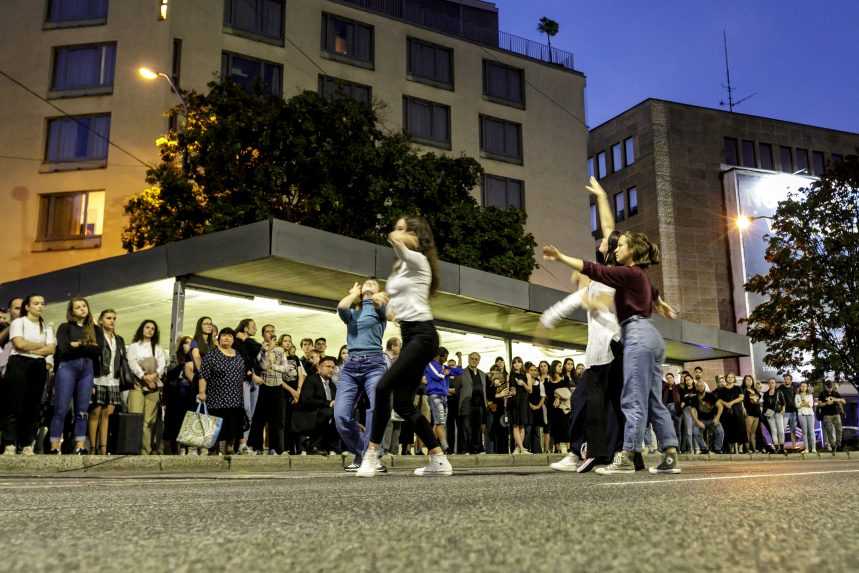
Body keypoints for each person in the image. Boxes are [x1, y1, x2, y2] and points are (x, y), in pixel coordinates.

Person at [543, 226, 682, 475]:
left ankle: (626, 457)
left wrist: (561, 257)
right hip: (650, 335)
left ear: (632, 252)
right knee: (653, 401)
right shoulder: (640, 275)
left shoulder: (628, 273)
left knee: (632, 400)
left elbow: (593, 269)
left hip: (637, 335)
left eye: (621, 245)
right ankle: (670, 455)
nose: (616, 249)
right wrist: (662, 305)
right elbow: (655, 294)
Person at [357, 215, 450, 477]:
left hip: (423, 335)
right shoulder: (402, 270)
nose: (395, 232)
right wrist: (382, 300)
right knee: (403, 405)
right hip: (411, 335)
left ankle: (372, 453)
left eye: (402, 228)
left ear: (414, 235)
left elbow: (397, 242)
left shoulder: (417, 259)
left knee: (383, 385)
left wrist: (400, 236)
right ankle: (438, 458)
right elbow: (393, 314)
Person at [334, 280, 389, 472]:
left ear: (378, 290)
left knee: (376, 409)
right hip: (350, 365)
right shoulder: (353, 312)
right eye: (366, 283)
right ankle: (364, 453)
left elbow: (386, 308)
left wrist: (374, 296)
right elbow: (341, 306)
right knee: (340, 415)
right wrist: (354, 294)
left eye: (373, 284)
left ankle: (369, 455)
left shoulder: (378, 308)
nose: (369, 284)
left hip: (374, 363)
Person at [2, 295, 55, 455]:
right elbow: (18, 343)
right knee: (14, 403)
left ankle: (27, 443)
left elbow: (51, 349)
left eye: (42, 303)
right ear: (27, 306)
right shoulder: (19, 322)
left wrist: (30, 347)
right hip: (19, 363)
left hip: (38, 365)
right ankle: (9, 442)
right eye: (36, 303)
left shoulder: (46, 326)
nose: (40, 306)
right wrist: (40, 345)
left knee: (33, 405)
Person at [49, 297, 102, 454]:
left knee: (82, 409)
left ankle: (80, 445)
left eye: (84, 306)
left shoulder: (95, 329)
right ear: (72, 311)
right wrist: (86, 345)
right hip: (67, 368)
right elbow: (64, 349)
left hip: (87, 369)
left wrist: (77, 345)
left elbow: (98, 351)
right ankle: (54, 445)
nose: (82, 309)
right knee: (61, 408)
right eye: (78, 307)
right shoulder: (65, 327)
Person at [197, 328, 247, 455]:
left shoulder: (238, 354)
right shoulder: (212, 354)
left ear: (233, 339)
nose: (227, 338)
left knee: (233, 424)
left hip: (235, 397)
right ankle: (213, 449)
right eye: (224, 335)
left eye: (230, 336)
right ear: (219, 338)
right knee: (216, 425)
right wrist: (202, 392)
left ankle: (229, 448)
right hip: (217, 397)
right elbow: (203, 375)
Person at [88, 309, 127, 455]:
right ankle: (92, 446)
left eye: (114, 318)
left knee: (107, 413)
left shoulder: (119, 339)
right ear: (101, 321)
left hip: (113, 380)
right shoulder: (97, 336)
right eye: (108, 318)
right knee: (95, 412)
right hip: (98, 378)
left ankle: (103, 448)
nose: (112, 321)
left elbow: (121, 360)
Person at [126, 320, 167, 455]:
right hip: (137, 385)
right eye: (147, 327)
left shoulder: (158, 348)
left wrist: (154, 376)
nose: (149, 330)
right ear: (141, 329)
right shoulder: (133, 346)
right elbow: (132, 364)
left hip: (153, 386)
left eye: (152, 328)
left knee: (149, 421)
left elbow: (162, 365)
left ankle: (146, 450)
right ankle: (132, 449)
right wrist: (143, 376)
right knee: (135, 417)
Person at [247, 324, 288, 455]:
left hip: (277, 386)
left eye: (272, 331)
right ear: (263, 334)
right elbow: (261, 365)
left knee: (276, 419)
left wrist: (274, 366)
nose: (270, 333)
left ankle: (274, 447)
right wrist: (265, 351)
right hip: (263, 386)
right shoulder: (259, 348)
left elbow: (285, 368)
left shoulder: (280, 350)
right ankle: (257, 446)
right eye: (267, 331)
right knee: (259, 418)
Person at [293, 355, 339, 455]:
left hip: (323, 413)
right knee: (328, 413)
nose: (331, 369)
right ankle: (314, 445)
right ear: (319, 367)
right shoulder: (311, 380)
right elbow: (307, 400)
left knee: (338, 415)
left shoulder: (332, 385)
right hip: (308, 413)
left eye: (333, 367)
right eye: (328, 366)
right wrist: (328, 403)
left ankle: (333, 447)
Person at [163, 336, 197, 455]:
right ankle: (179, 447)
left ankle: (190, 446)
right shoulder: (175, 361)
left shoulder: (198, 361)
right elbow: (169, 378)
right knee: (178, 421)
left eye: (191, 343)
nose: (188, 345)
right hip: (176, 398)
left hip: (191, 396)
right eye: (186, 343)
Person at [233, 318, 263, 453]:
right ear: (245, 328)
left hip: (254, 380)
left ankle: (244, 445)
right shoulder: (236, 342)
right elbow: (242, 360)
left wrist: (245, 339)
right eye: (253, 326)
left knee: (250, 414)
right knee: (244, 410)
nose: (256, 329)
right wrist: (251, 375)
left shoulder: (248, 342)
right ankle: (238, 443)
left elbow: (257, 348)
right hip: (243, 379)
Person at [456, 352, 488, 454]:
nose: (474, 360)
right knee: (466, 428)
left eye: (476, 359)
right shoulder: (462, 373)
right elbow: (457, 389)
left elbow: (484, 390)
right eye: (472, 358)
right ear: (468, 359)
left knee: (478, 428)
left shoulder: (482, 374)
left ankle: (477, 449)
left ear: (479, 361)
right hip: (466, 404)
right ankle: (466, 449)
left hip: (479, 405)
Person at [278, 333, 305, 454]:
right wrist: (292, 391)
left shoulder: (295, 358)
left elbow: (300, 375)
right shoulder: (277, 358)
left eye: (289, 341)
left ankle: (298, 448)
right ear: (280, 343)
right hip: (283, 392)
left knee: (295, 421)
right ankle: (284, 448)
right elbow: (278, 378)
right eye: (285, 341)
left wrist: (298, 390)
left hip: (296, 392)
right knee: (284, 420)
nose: (288, 343)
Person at [688, 379, 724, 454]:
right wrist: (697, 422)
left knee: (720, 431)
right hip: (700, 420)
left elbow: (720, 406)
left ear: (704, 387)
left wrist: (717, 418)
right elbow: (692, 411)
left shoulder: (711, 395)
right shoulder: (694, 398)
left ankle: (717, 449)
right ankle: (704, 449)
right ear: (696, 388)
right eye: (698, 386)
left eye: (702, 386)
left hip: (712, 419)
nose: (700, 387)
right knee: (695, 431)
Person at [715, 373, 746, 453]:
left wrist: (731, 403)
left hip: (737, 410)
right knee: (728, 429)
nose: (730, 378)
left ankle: (740, 447)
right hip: (726, 412)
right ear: (726, 378)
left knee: (740, 428)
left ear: (734, 379)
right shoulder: (721, 389)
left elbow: (741, 398)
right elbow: (719, 399)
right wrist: (726, 403)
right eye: (728, 377)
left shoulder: (738, 388)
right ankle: (731, 448)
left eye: (732, 377)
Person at [545, 360, 572, 454]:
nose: (561, 368)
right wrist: (556, 396)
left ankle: (569, 448)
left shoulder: (565, 378)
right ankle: (557, 448)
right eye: (559, 366)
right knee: (555, 427)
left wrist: (558, 397)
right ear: (554, 367)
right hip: (552, 407)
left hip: (563, 407)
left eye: (561, 366)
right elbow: (548, 393)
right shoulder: (547, 380)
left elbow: (567, 392)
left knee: (565, 426)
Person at [508, 356, 531, 454]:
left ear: (522, 363)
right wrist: (511, 391)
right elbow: (509, 389)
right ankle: (522, 448)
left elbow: (530, 390)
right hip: (514, 401)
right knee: (515, 425)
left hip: (524, 401)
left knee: (522, 426)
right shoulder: (510, 375)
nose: (517, 364)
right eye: (515, 362)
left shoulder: (527, 375)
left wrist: (523, 384)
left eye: (519, 362)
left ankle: (518, 448)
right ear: (512, 365)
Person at [818, 380, 845, 453]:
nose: (830, 388)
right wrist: (826, 403)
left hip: (836, 414)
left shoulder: (835, 393)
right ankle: (833, 446)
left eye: (831, 386)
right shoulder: (822, 394)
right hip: (827, 415)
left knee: (839, 430)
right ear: (825, 386)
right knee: (829, 431)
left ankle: (838, 445)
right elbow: (819, 404)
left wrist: (835, 399)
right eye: (828, 387)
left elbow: (843, 401)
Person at [762, 378, 787, 453]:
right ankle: (776, 448)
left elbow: (783, 403)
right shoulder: (766, 394)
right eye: (770, 383)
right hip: (770, 414)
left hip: (778, 413)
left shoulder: (779, 392)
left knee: (781, 431)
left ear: (775, 384)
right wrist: (765, 413)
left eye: (773, 382)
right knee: (773, 431)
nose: (771, 384)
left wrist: (783, 410)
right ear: (768, 384)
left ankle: (782, 447)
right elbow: (765, 405)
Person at [526, 362, 546, 454]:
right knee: (528, 430)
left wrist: (538, 406)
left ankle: (537, 451)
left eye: (535, 370)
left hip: (537, 409)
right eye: (531, 370)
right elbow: (525, 396)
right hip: (527, 409)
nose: (533, 372)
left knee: (536, 431)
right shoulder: (526, 383)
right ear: (527, 371)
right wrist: (530, 405)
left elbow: (543, 396)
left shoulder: (540, 383)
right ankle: (526, 449)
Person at [742, 375, 762, 453]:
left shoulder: (755, 390)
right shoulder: (743, 390)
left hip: (756, 412)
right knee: (748, 431)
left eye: (750, 379)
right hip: (749, 412)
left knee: (753, 432)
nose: (749, 381)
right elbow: (741, 401)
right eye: (747, 379)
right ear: (744, 381)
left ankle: (754, 448)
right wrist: (743, 409)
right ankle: (747, 449)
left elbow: (758, 400)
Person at [795, 382, 816, 454]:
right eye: (802, 386)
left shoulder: (810, 395)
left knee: (811, 431)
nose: (803, 387)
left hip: (810, 414)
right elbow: (797, 406)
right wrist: (805, 403)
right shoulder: (797, 396)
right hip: (801, 414)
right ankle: (806, 449)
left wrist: (802, 403)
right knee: (804, 432)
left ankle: (813, 448)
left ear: (807, 387)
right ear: (800, 387)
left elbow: (811, 405)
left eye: (805, 386)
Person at [679, 372, 697, 453]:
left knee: (696, 430)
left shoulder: (697, 389)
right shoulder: (683, 391)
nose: (687, 381)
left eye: (689, 379)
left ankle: (697, 448)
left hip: (696, 410)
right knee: (688, 430)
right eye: (686, 380)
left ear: (692, 380)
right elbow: (682, 402)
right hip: (687, 411)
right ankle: (691, 449)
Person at [778, 374, 798, 449]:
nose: (786, 380)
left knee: (793, 429)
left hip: (793, 412)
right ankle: (781, 446)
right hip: (785, 412)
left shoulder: (794, 388)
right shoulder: (781, 388)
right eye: (785, 379)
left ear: (791, 380)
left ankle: (794, 445)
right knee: (782, 430)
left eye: (788, 379)